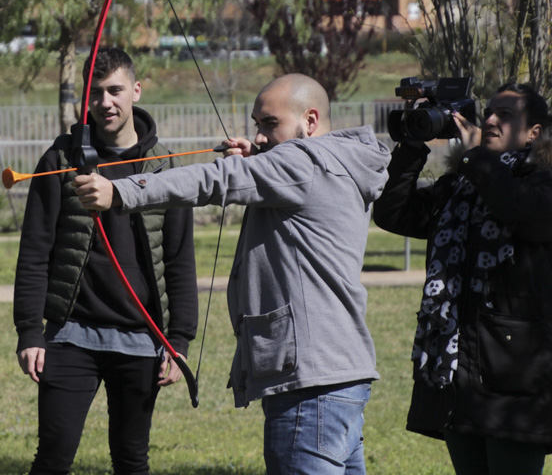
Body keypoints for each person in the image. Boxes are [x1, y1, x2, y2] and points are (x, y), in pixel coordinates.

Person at [74, 73, 391, 474]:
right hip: (343, 377)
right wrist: (263, 161)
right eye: (258, 124)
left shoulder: (301, 162)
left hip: (309, 385)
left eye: (270, 124)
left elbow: (215, 179)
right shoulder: (340, 162)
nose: (258, 136)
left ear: (310, 121)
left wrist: (121, 190)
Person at [372, 83, 552, 475]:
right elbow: (393, 213)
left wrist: (475, 157)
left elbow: (518, 209)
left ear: (532, 132)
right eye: (489, 111)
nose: (489, 119)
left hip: (512, 375)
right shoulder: (460, 186)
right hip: (456, 371)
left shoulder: (549, 183)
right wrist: (412, 147)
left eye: (505, 115)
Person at [13, 48, 198, 475]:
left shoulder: (165, 166)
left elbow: (179, 261)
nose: (105, 103)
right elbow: (35, 251)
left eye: (115, 90)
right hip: (70, 336)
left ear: (136, 90)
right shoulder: (61, 159)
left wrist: (180, 340)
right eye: (95, 93)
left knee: (132, 461)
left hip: (141, 339)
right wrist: (29, 332)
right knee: (53, 457)